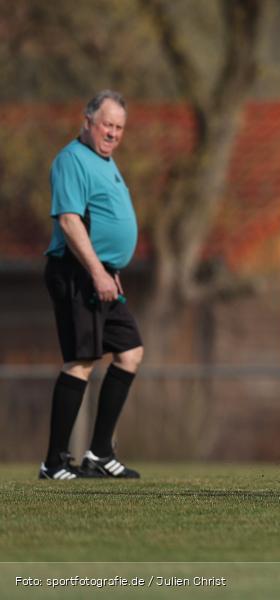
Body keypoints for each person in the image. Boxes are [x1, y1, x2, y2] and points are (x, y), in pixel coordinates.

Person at [40, 90, 142, 480]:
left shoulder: (107, 161)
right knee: (82, 360)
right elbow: (69, 221)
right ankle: (53, 461)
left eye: (119, 127)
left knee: (130, 351)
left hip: (103, 275)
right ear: (87, 122)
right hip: (77, 274)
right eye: (107, 125)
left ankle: (99, 453)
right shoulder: (72, 160)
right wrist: (98, 271)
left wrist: (109, 266)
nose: (113, 133)